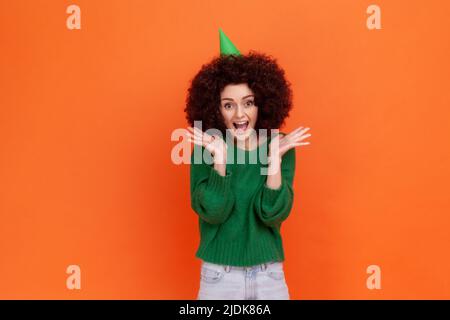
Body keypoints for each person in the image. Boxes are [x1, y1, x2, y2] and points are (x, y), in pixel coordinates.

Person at [184, 29, 312, 300]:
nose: (240, 114)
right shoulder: (206, 147)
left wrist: (273, 161)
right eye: (228, 105)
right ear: (216, 110)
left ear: (262, 104)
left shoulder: (279, 145)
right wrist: (220, 161)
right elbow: (213, 213)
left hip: (269, 277)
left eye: (248, 103)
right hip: (219, 277)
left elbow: (272, 215)